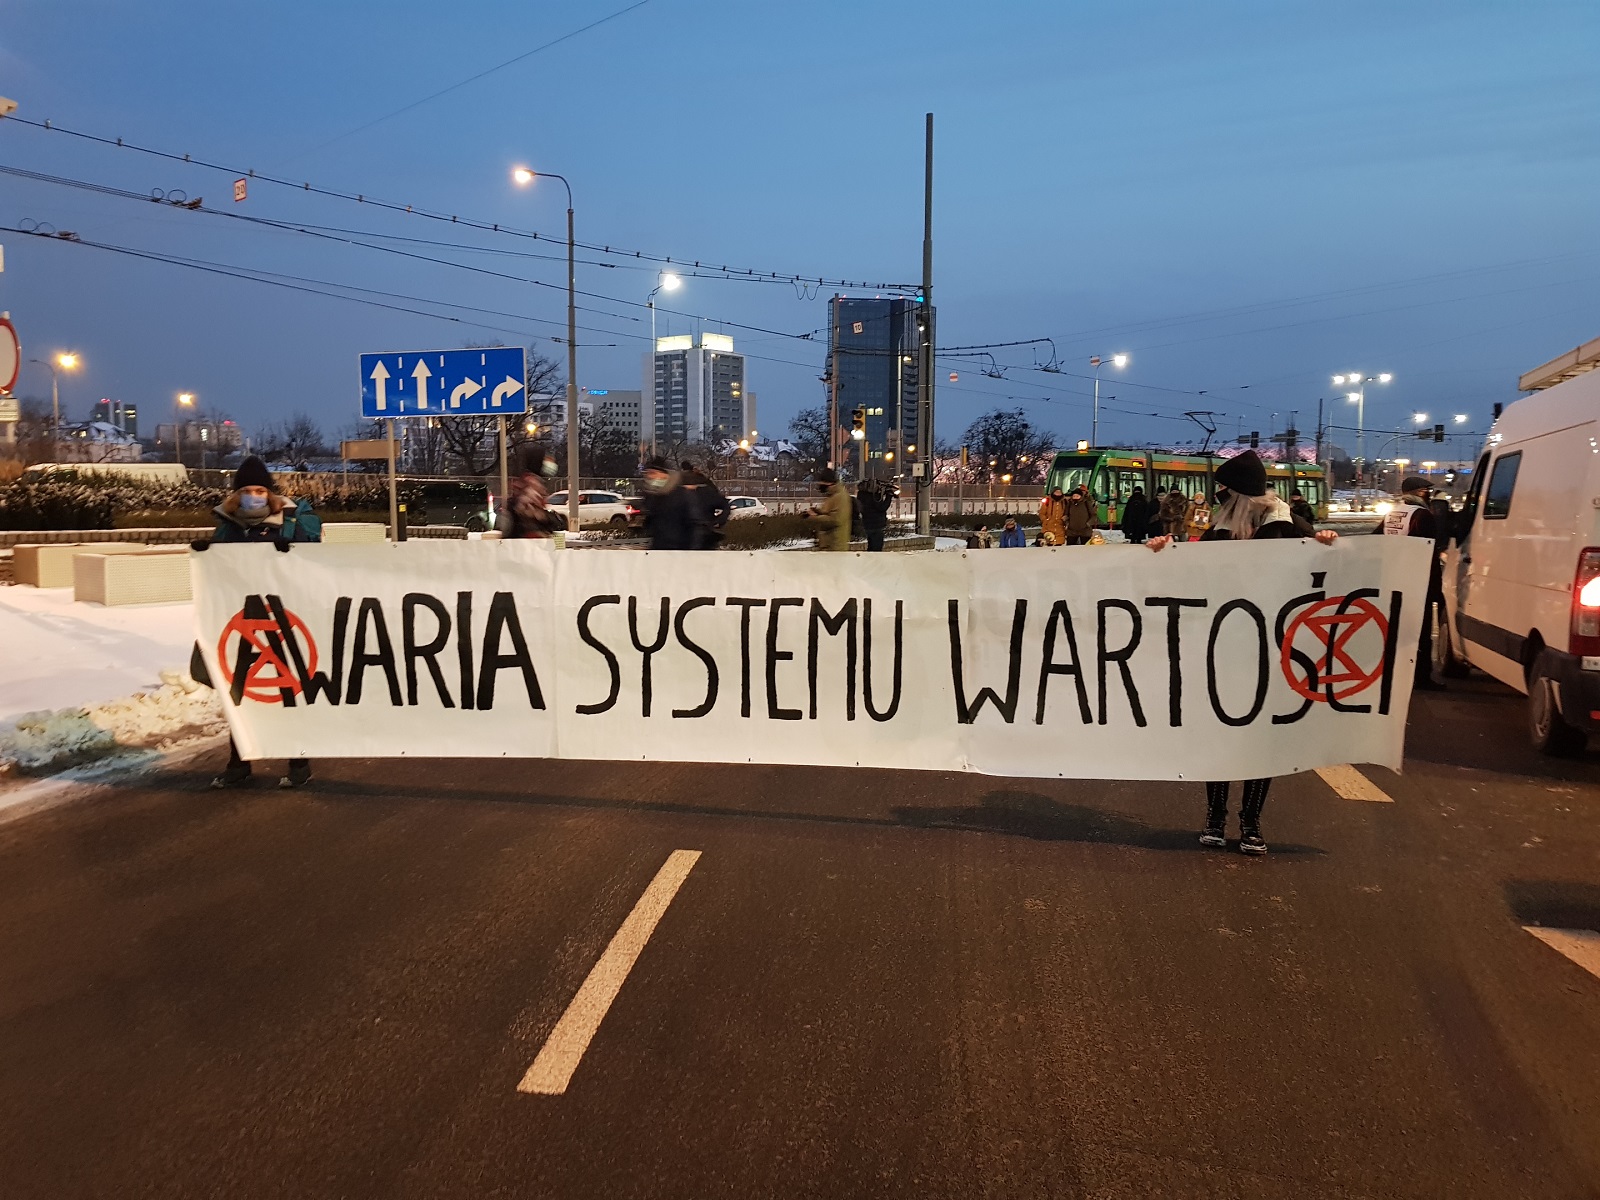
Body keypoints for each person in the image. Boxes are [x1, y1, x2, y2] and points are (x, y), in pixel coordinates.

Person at [1146, 450, 1340, 855]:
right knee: (1220, 732)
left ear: (1237, 495)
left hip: (1270, 646)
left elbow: (1329, 558)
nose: (1218, 501)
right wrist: (1165, 549)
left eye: (1223, 492)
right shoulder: (1220, 529)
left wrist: (1326, 543)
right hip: (1225, 645)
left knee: (1258, 737)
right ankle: (1216, 818)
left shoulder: (1286, 524)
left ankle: (1250, 821)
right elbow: (1196, 568)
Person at [193, 455, 323, 790]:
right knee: (240, 693)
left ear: (270, 492)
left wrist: (292, 546)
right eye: (249, 490)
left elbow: (315, 551)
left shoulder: (294, 518)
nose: (255, 495)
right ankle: (239, 762)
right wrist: (207, 555)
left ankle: (299, 763)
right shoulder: (228, 524)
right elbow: (222, 572)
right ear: (238, 495)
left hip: (285, 617)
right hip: (243, 620)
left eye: (261, 489)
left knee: (287, 690)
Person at [1372, 475, 1445, 691]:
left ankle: (1395, 673)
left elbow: (1375, 539)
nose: (1429, 494)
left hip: (1394, 578)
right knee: (1420, 632)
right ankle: (1422, 677)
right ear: (1419, 493)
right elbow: (1429, 549)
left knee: (1397, 628)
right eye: (1426, 491)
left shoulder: (1393, 513)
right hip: (1418, 580)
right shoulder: (1422, 515)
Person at [496, 443, 562, 540]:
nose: (550, 464)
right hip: (528, 541)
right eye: (545, 460)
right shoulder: (532, 485)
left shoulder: (526, 482)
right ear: (538, 462)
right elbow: (535, 515)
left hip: (522, 540)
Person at [639, 456, 700, 550]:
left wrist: (691, 552)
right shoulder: (652, 496)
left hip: (679, 550)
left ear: (664, 474)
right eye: (647, 474)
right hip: (659, 549)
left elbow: (695, 525)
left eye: (653, 473)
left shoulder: (682, 495)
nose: (650, 477)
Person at [680, 460, 730, 549]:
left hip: (685, 536)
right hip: (705, 535)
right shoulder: (707, 487)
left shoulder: (679, 488)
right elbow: (725, 505)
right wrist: (717, 522)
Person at [806, 468, 851, 551]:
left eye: (822, 483)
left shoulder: (839, 497)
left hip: (835, 546)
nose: (820, 486)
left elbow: (836, 520)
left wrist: (814, 517)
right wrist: (817, 511)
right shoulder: (832, 495)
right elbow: (829, 513)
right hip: (828, 545)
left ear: (829, 483)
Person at [857, 478, 895, 552]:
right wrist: (889, 497)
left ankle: (869, 562)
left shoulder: (861, 495)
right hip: (876, 525)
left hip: (867, 524)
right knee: (877, 549)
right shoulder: (873, 496)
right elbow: (882, 507)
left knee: (871, 547)